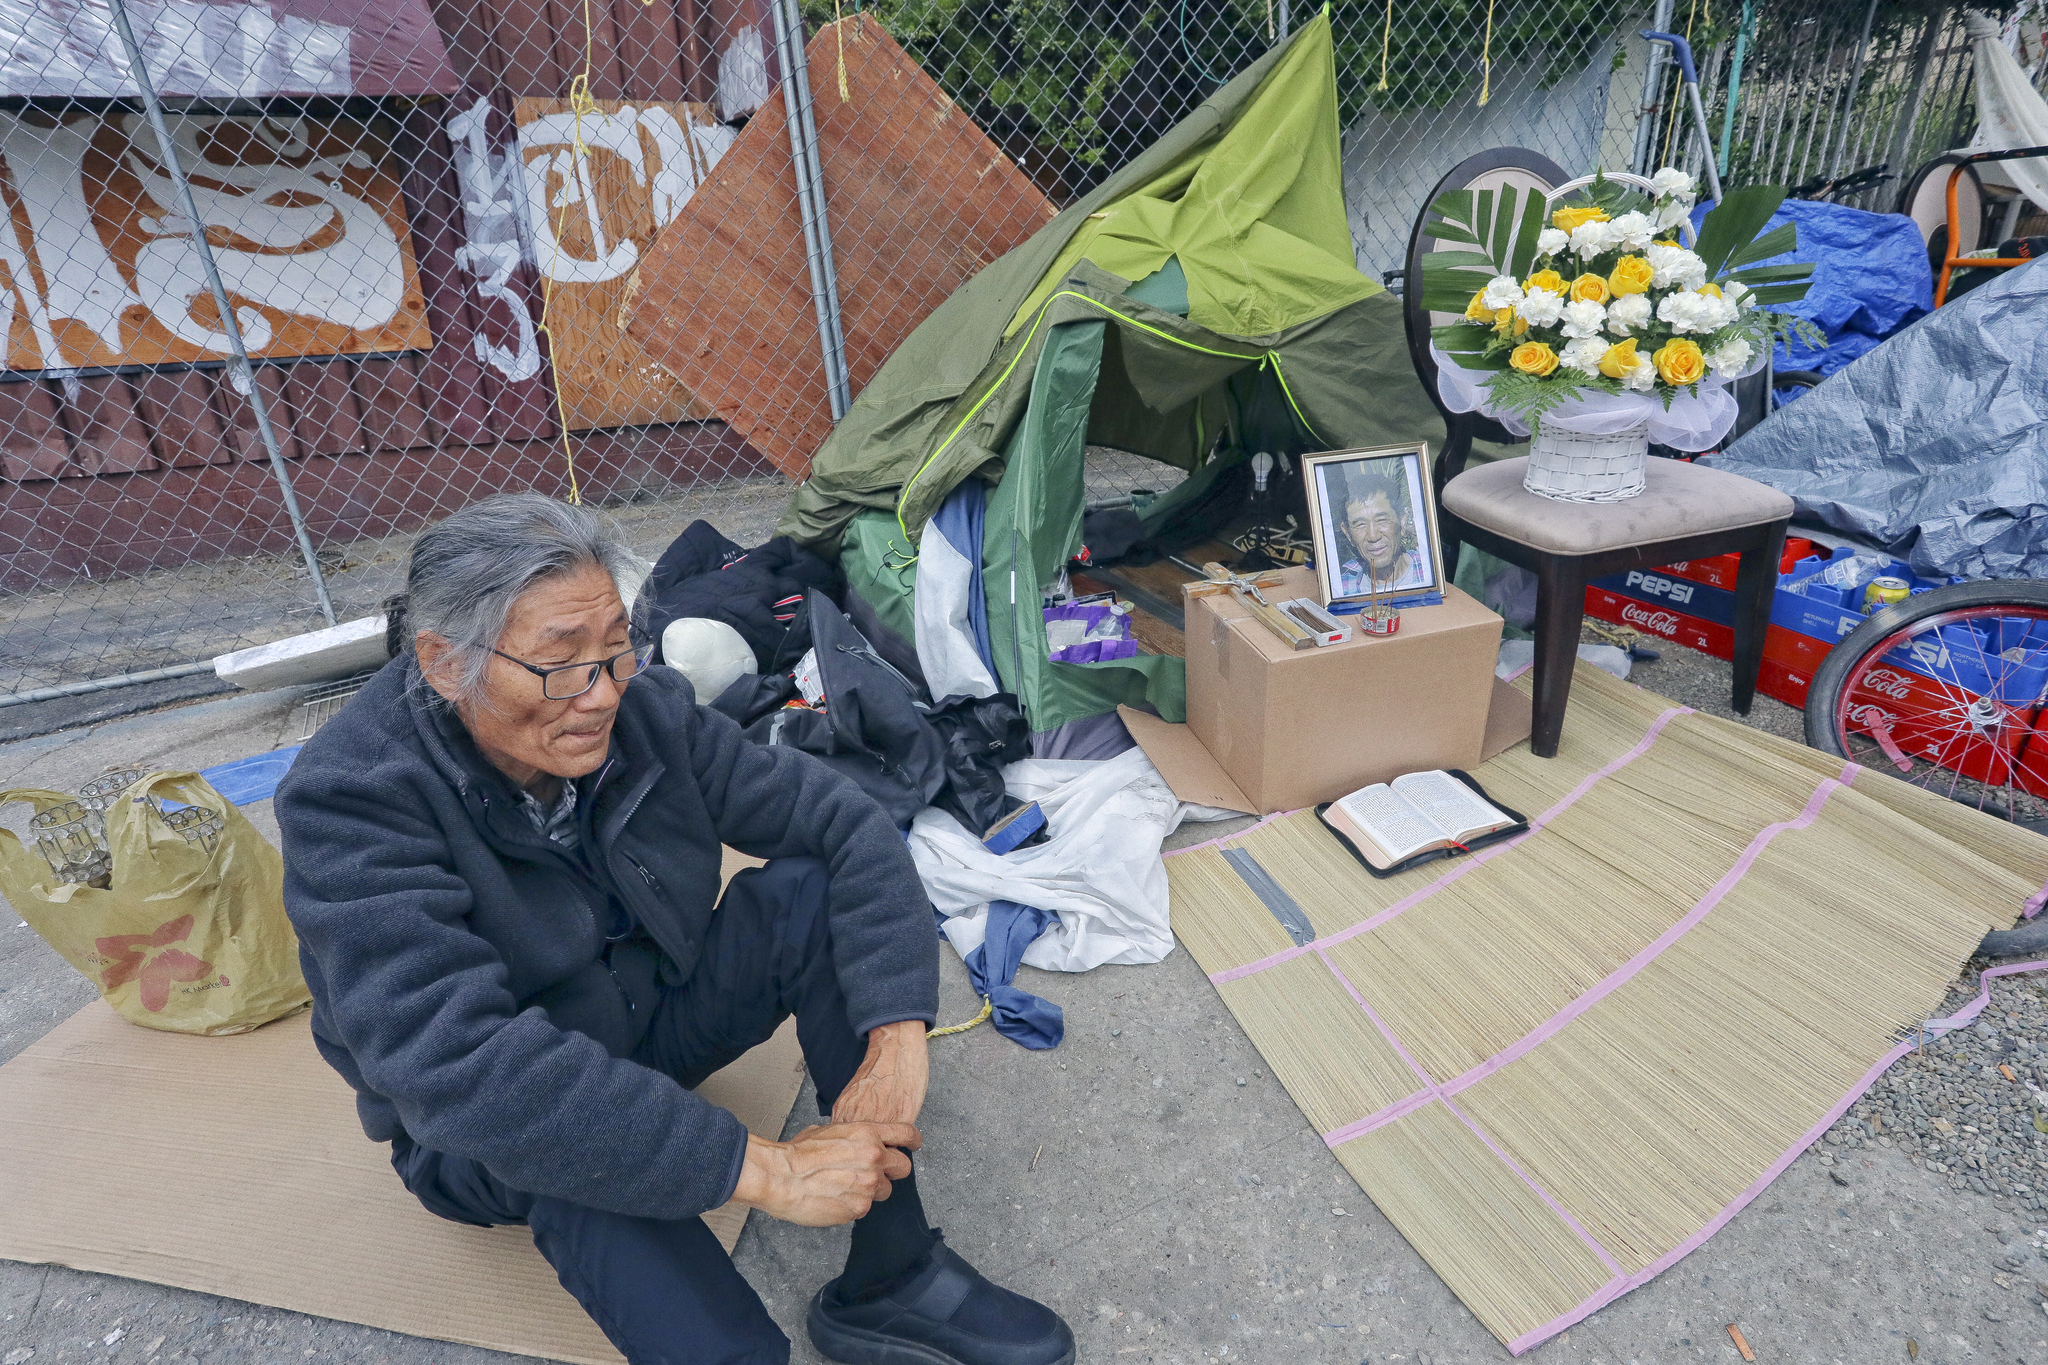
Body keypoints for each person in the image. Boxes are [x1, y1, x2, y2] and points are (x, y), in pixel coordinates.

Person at [275, 494, 1074, 1365]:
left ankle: (894, 1275)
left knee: (808, 895)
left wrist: (895, 1033)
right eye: (560, 664)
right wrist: (774, 1170)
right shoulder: (351, 799)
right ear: (443, 662)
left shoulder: (643, 709)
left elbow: (845, 824)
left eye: (616, 647)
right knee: (556, 1124)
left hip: (650, 1015)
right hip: (479, 1119)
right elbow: (463, 1068)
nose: (602, 693)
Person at [1334, 464, 1430, 596]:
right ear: (1348, 533)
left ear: (1401, 521)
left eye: (1382, 520)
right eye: (1360, 524)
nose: (1373, 536)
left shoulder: (1429, 571)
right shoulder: (1340, 587)